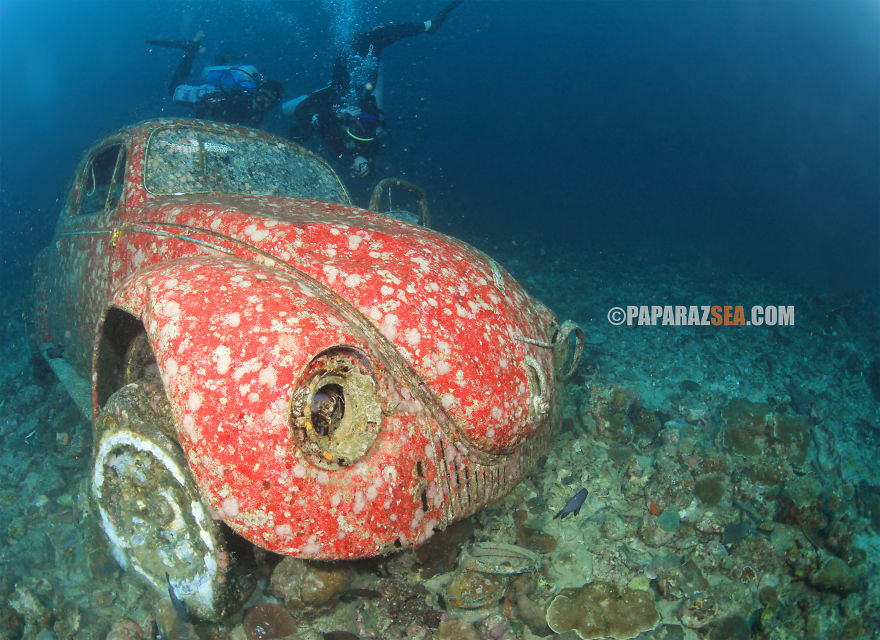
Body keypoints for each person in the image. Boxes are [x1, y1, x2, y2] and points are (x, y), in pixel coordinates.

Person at [285, 0, 464, 178]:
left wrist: (340, 114)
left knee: (356, 47)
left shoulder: (340, 152)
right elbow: (374, 119)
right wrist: (358, 115)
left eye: (356, 172)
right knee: (372, 39)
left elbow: (324, 124)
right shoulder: (372, 145)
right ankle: (427, 26)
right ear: (370, 164)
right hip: (359, 88)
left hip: (341, 91)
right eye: (363, 170)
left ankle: (427, 26)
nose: (356, 169)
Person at [148, 32, 284, 128]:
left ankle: (220, 59)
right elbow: (209, 101)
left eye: (269, 101)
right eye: (263, 96)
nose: (263, 102)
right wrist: (198, 124)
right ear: (257, 91)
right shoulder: (240, 98)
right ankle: (191, 49)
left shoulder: (259, 111)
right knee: (174, 90)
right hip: (208, 93)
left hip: (219, 97)